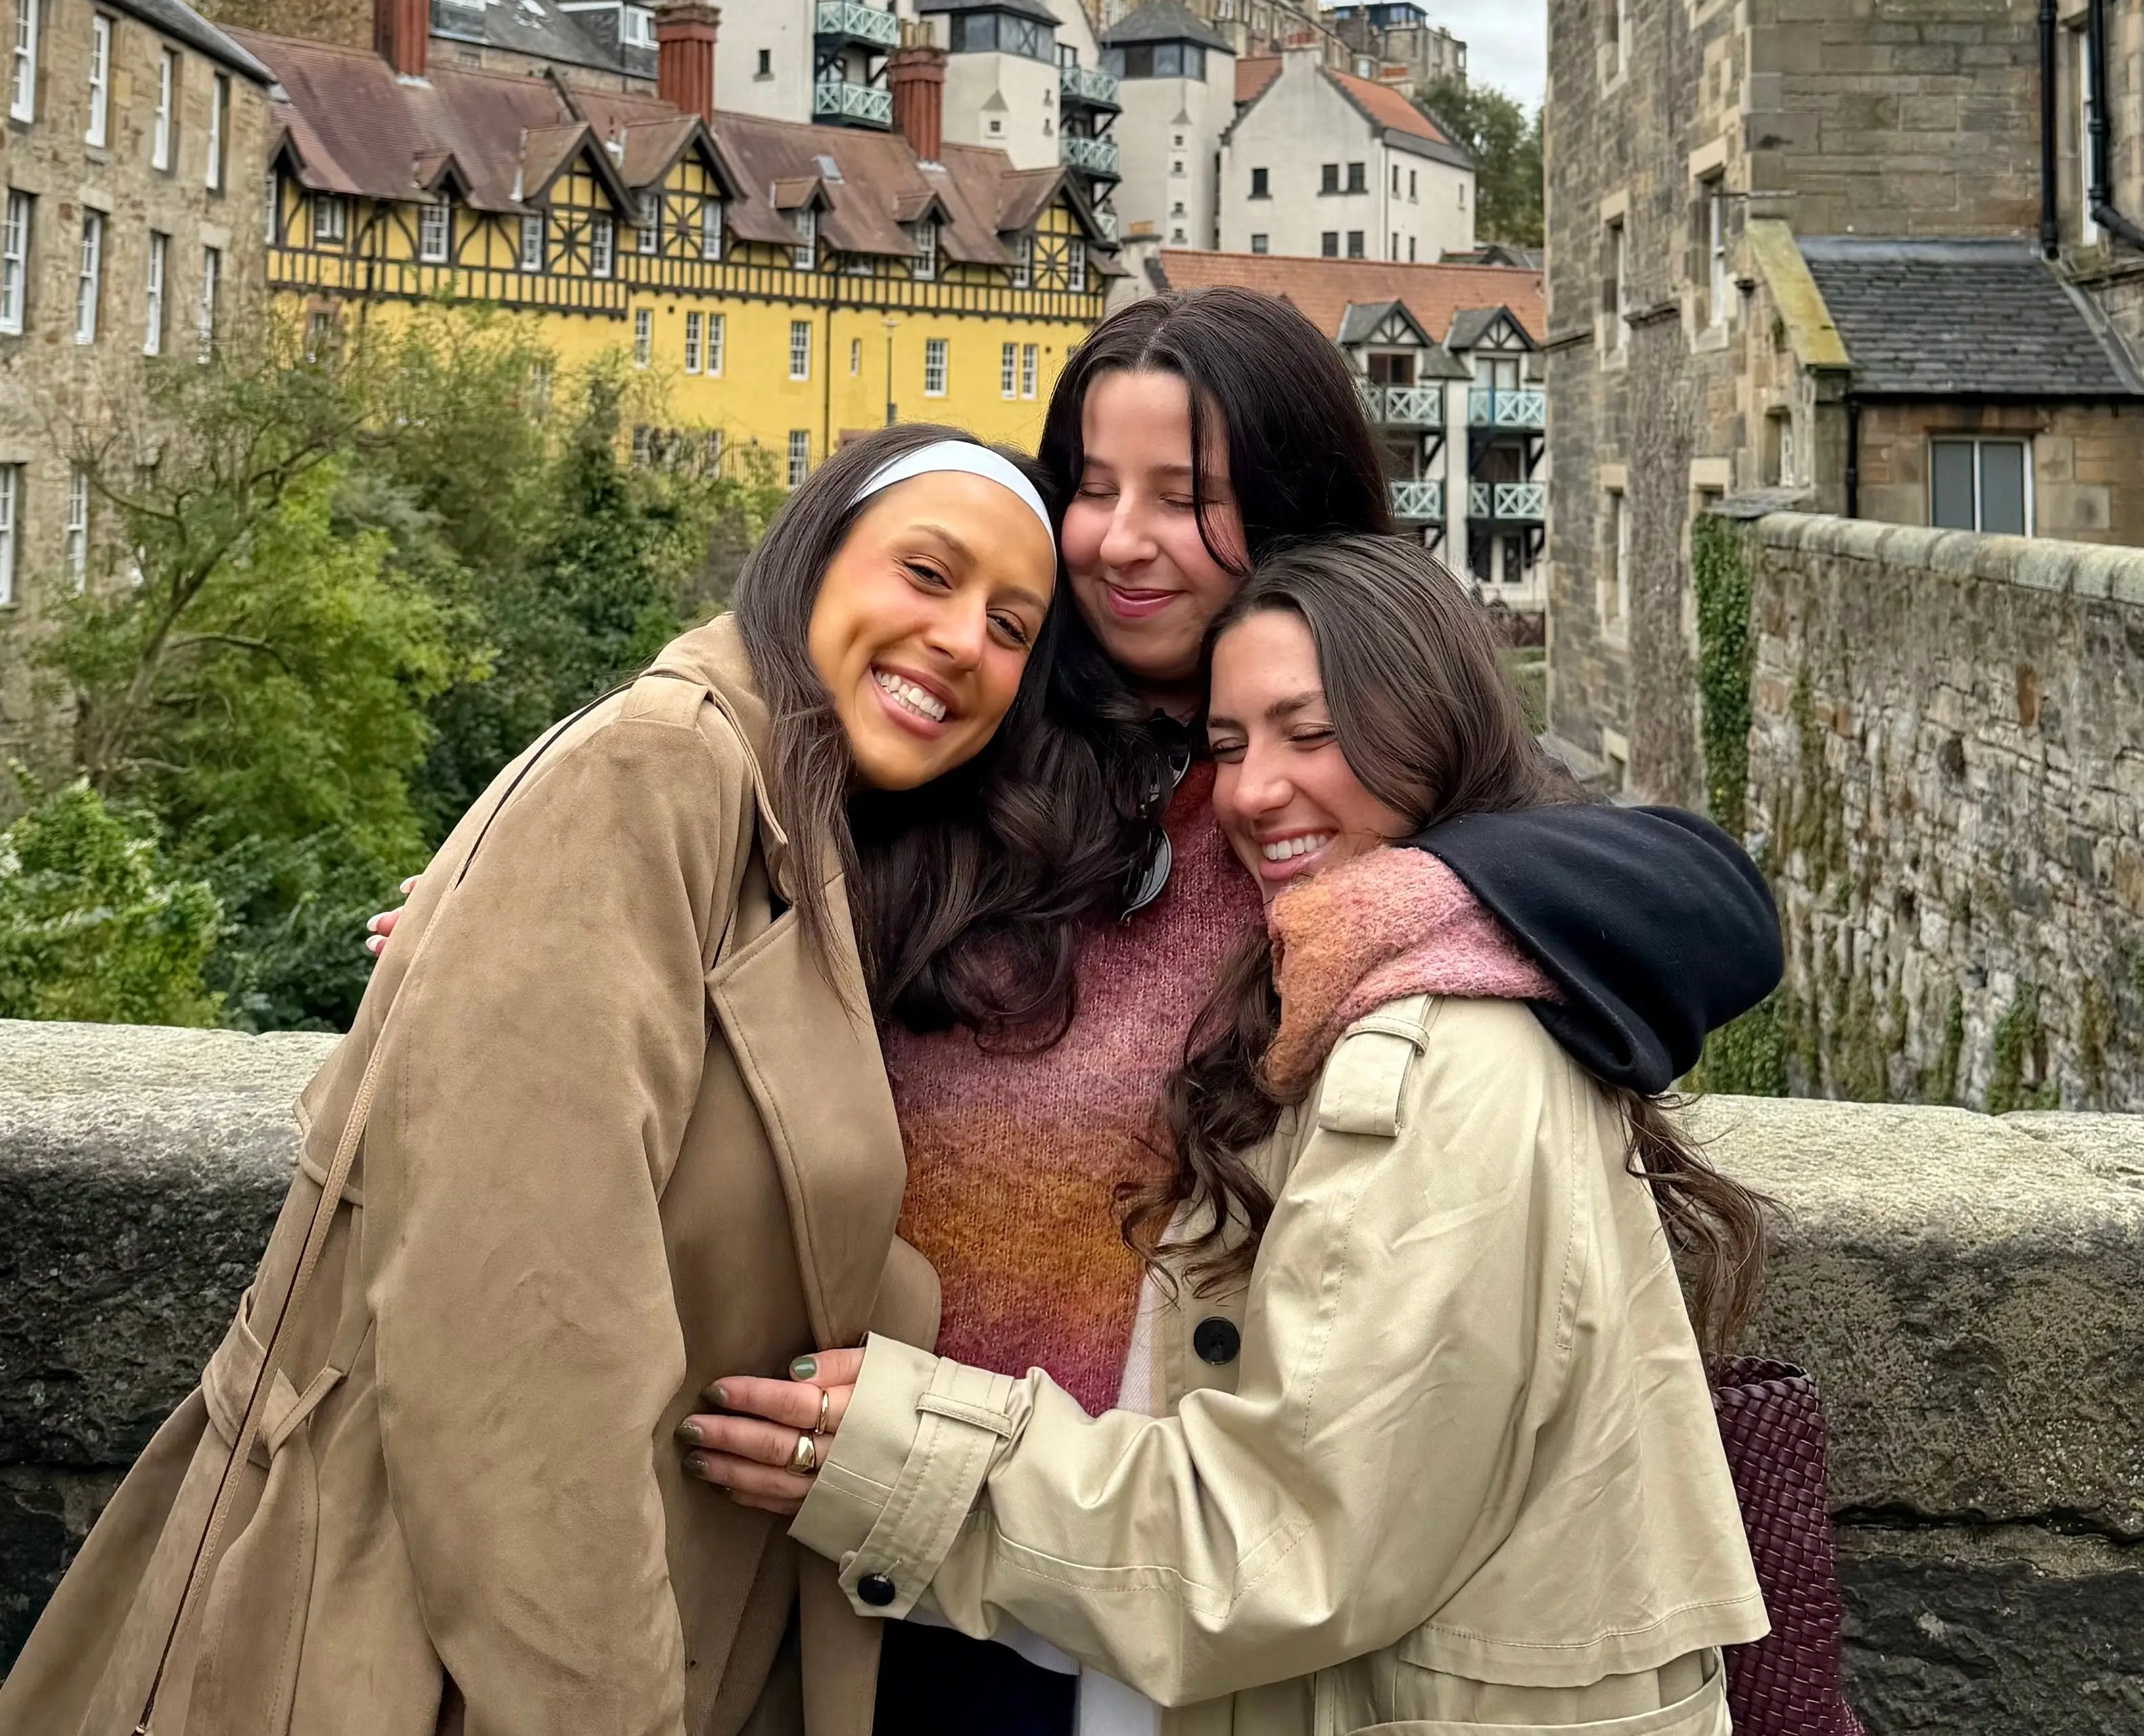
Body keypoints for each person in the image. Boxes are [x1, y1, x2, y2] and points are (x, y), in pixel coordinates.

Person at [359, 289, 1784, 1730]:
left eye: (1187, 495)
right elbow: (733, 752)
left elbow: (1701, 903)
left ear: (1289, 505)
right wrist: (541, 907)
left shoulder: (1352, 794)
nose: (1118, 537)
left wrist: (1408, 904)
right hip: (853, 1529)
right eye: (1090, 485)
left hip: (1147, 1580)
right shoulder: (972, 731)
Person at [0, 428, 1142, 1736]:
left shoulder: (796, 832)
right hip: (411, 1652)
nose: (961, 641)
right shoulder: (655, 771)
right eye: (927, 573)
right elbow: (522, 1326)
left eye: (1011, 625)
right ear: (812, 560)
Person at [690, 533, 1776, 1735]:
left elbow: (1289, 1542)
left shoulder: (1444, 1052)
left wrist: (898, 1459)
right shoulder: (1420, 976)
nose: (1255, 792)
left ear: (1437, 723)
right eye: (1228, 745)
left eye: (1310, 735)